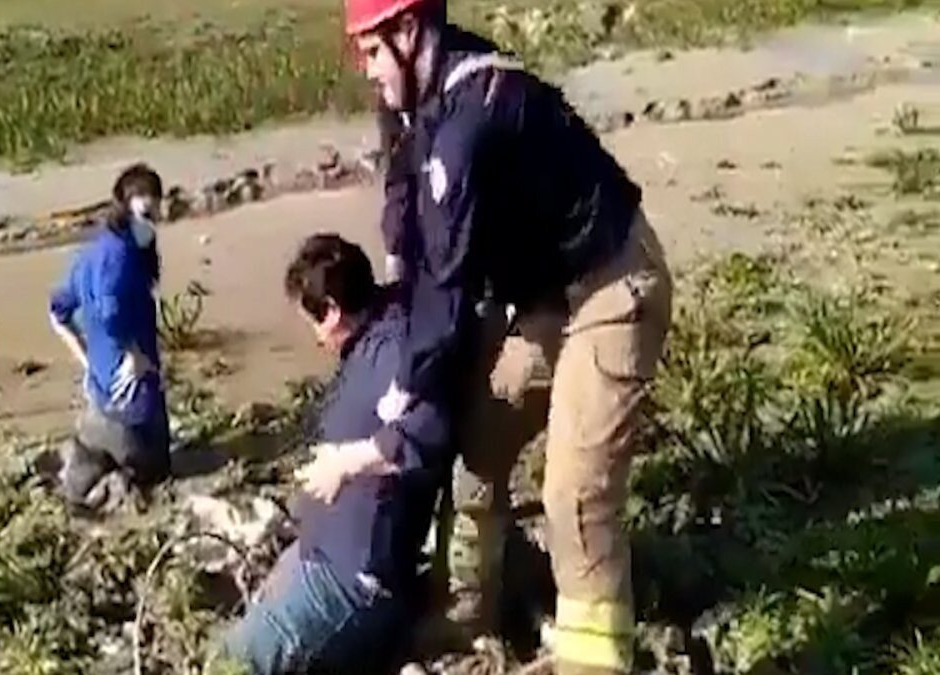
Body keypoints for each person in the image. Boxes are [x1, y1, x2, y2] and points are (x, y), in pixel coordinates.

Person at [343, 0, 675, 673]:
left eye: (371, 52)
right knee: (479, 442)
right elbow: (406, 203)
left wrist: (400, 397)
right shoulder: (414, 98)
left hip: (612, 285)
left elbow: (447, 288)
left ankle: (592, 663)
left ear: (408, 31)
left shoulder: (474, 116)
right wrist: (395, 282)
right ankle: (464, 618)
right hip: (544, 295)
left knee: (575, 495)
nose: (366, 70)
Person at [213, 233, 453, 674]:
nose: (315, 338)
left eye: (312, 322)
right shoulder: (378, 319)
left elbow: (428, 430)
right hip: (322, 554)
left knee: (227, 665)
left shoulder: (395, 352)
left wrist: (345, 462)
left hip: (354, 584)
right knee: (248, 623)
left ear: (332, 312)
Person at [48, 162, 172, 513]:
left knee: (89, 466)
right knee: (158, 469)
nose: (153, 222)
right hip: (135, 407)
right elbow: (110, 313)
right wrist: (132, 353)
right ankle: (120, 478)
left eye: (156, 211)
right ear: (127, 207)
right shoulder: (123, 258)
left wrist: (87, 361)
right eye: (147, 214)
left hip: (99, 402)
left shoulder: (91, 253)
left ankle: (88, 469)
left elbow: (57, 311)